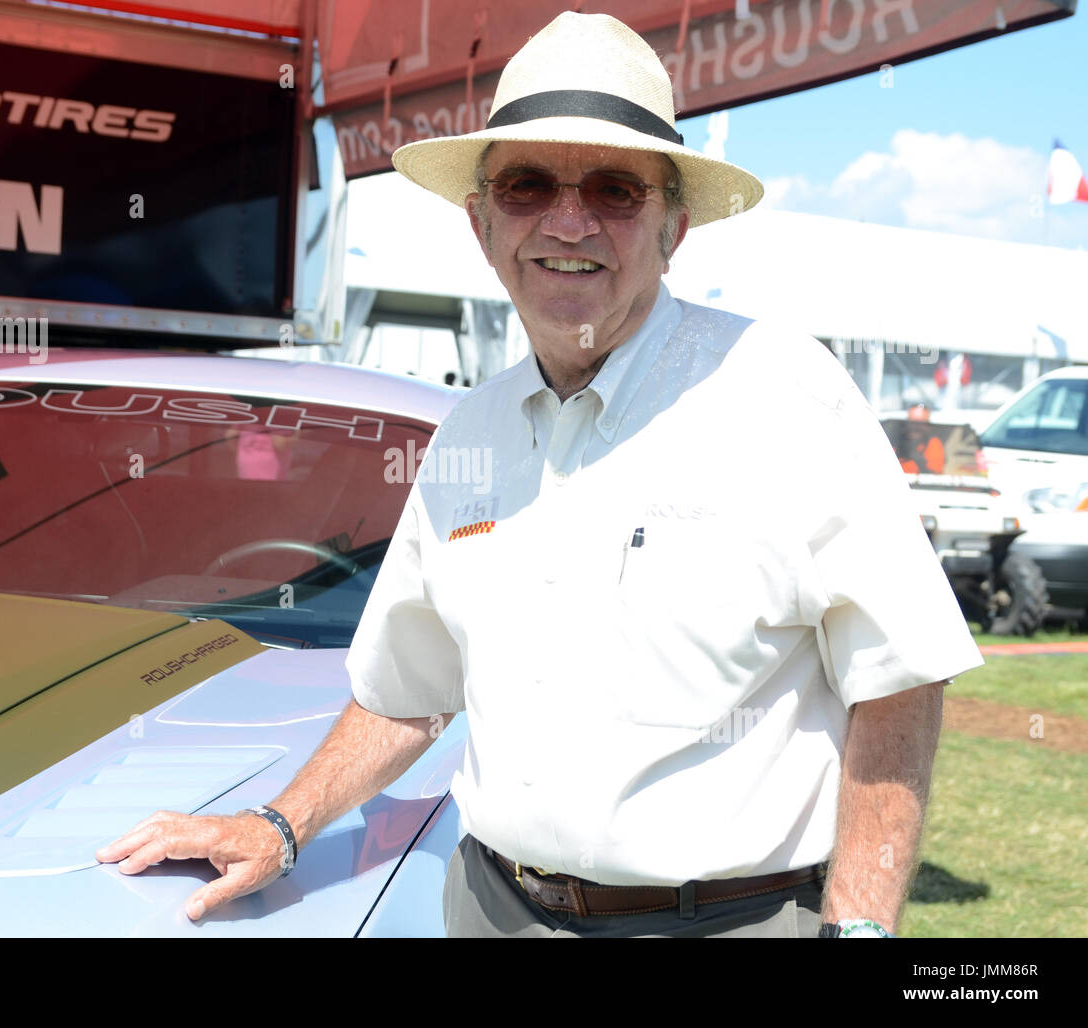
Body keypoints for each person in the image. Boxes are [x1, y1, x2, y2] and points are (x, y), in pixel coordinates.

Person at [97, 11, 984, 938]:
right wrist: (282, 824)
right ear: (482, 226)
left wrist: (863, 930)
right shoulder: (469, 436)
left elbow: (900, 680)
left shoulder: (787, 398)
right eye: (527, 186)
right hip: (491, 908)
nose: (569, 222)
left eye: (615, 189)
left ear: (674, 227)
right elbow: (408, 692)